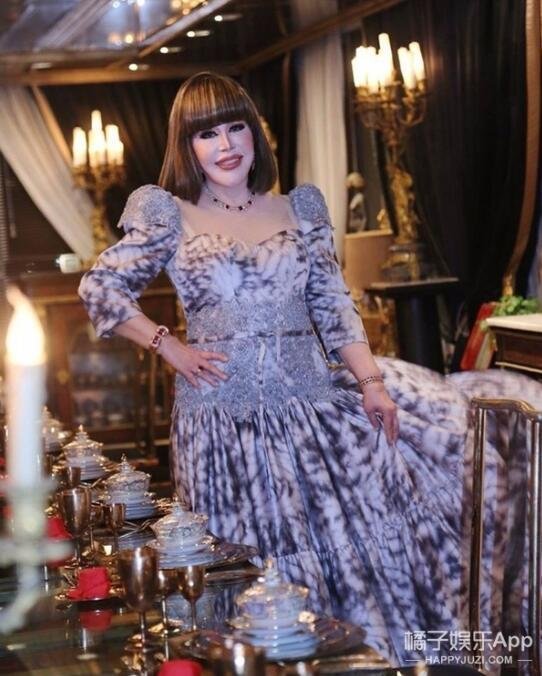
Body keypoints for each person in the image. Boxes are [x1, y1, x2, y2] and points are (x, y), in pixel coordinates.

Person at [79, 72, 462, 664]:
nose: (226, 145)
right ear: (187, 145)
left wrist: (372, 384)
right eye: (207, 134)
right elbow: (100, 288)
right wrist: (168, 345)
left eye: (236, 128)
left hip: (311, 413)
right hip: (220, 421)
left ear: (255, 134)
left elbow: (332, 303)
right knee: (240, 559)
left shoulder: (299, 208)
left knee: (338, 545)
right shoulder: (169, 215)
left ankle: (344, 661)